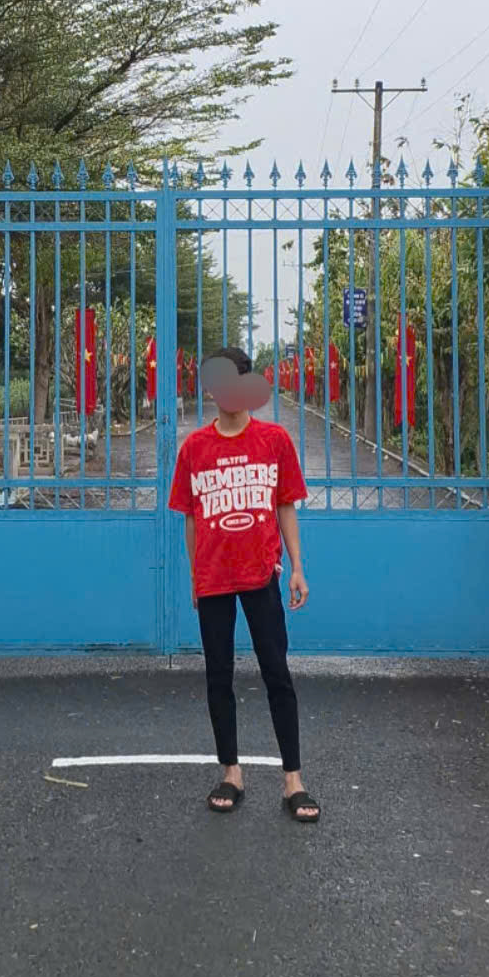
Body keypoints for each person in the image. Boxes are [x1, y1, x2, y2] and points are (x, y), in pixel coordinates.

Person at [168, 345, 320, 823]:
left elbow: (285, 505)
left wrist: (297, 566)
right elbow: (191, 518)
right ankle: (231, 773)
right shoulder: (194, 448)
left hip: (261, 575)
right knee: (219, 676)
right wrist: (195, 576)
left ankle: (293, 779)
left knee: (277, 672)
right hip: (214, 579)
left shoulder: (273, 440)